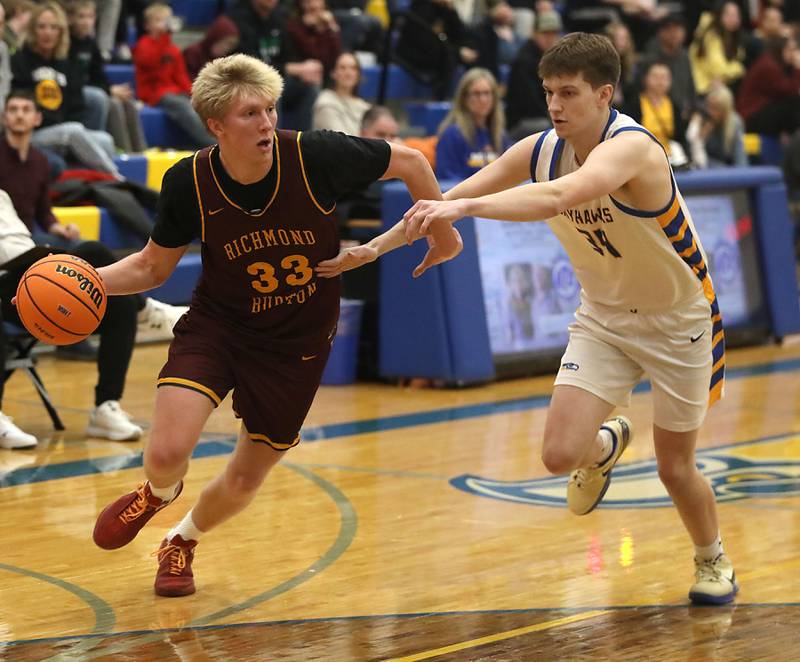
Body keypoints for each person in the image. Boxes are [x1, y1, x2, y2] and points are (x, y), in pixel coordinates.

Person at [346, 32, 734, 605]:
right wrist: (370, 251)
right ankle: (604, 446)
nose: (555, 105)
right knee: (557, 456)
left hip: (678, 321)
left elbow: (558, 197)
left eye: (569, 93)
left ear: (604, 95)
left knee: (676, 470)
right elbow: (445, 199)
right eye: (549, 91)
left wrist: (464, 208)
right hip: (604, 318)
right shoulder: (540, 147)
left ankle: (712, 558)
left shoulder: (634, 149)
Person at [90, 53, 461, 597]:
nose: (266, 124)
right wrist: (85, 279)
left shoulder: (315, 154)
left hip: (297, 341)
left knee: (245, 476)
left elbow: (410, 161)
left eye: (269, 109)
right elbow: (151, 266)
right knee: (166, 453)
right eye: (249, 115)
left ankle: (181, 541)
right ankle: (159, 493)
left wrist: (442, 230)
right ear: (216, 125)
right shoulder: (188, 179)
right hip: (220, 326)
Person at [0, 88, 188, 342]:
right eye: (13, 110)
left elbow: (44, 212)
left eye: (25, 110)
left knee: (87, 248)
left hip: (35, 237)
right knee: (91, 254)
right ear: (4, 118)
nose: (19, 116)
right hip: (11, 246)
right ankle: (145, 312)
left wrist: (58, 228)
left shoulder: (40, 161)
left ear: (37, 118)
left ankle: (79, 337)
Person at [0, 188, 144, 445]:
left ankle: (106, 406)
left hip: (30, 276)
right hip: (5, 286)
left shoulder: (4, 195)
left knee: (117, 301)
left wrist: (53, 240)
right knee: (94, 252)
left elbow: (25, 236)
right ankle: (147, 309)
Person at [10, 1, 121, 176]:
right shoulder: (20, 60)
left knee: (106, 140)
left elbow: (76, 105)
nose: (48, 32)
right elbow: (21, 100)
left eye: (54, 27)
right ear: (32, 30)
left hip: (61, 130)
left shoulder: (68, 63)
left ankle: (88, 184)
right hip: (33, 133)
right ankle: (114, 178)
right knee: (72, 131)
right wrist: (54, 120)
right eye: (42, 27)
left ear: (61, 31)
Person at [68, 0, 147, 153]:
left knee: (128, 103)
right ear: (71, 19)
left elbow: (99, 76)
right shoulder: (67, 43)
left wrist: (111, 89)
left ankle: (140, 152)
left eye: (90, 17)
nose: (86, 22)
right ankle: (124, 152)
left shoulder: (90, 43)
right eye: (81, 17)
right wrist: (109, 91)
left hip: (94, 89)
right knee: (113, 103)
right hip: (78, 93)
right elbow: (74, 80)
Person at [133, 2, 213, 149]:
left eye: (166, 20)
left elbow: (180, 75)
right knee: (182, 107)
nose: (164, 24)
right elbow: (150, 62)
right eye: (158, 20)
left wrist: (193, 93)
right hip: (154, 94)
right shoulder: (143, 45)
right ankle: (212, 143)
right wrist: (164, 38)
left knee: (199, 104)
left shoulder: (173, 49)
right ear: (147, 25)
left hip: (174, 92)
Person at [435, 67, 510, 181]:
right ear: (464, 98)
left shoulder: (499, 135)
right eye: (476, 93)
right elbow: (448, 180)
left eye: (487, 93)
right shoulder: (451, 135)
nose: (483, 99)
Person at [505, 9, 562, 141]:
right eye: (545, 33)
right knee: (553, 127)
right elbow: (529, 103)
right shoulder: (524, 61)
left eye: (553, 33)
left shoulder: (552, 58)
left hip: (543, 115)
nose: (550, 38)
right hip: (521, 122)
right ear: (534, 33)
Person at [689, 1, 746, 96]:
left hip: (717, 85)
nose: (734, 19)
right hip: (701, 87)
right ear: (718, 15)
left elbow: (739, 56)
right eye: (729, 15)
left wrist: (725, 79)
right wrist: (739, 69)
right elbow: (718, 69)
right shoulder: (710, 34)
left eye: (737, 16)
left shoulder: (733, 36)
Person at [687, 84, 747, 168]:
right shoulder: (700, 120)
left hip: (729, 171)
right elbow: (696, 159)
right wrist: (701, 138)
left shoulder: (735, 122)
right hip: (705, 170)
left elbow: (740, 158)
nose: (711, 112)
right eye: (709, 106)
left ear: (726, 110)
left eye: (716, 108)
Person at [311, 51, 369, 133]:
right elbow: (340, 142)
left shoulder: (365, 106)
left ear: (358, 74)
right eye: (342, 68)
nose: (348, 73)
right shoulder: (326, 102)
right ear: (333, 73)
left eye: (353, 68)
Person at [182, 15, 240, 81]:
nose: (226, 48)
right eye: (225, 43)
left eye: (231, 46)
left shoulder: (224, 60)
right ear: (215, 37)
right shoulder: (192, 53)